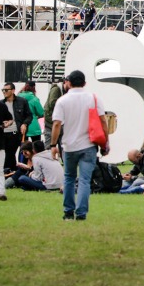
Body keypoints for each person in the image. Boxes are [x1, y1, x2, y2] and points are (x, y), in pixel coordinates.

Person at [49, 69, 107, 221]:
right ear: (85, 83)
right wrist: (105, 142)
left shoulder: (62, 101)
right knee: (84, 180)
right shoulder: (93, 98)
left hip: (69, 146)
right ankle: (81, 213)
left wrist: (53, 144)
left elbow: (56, 124)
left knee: (68, 178)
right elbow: (103, 121)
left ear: (68, 83)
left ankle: (68, 211)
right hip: (88, 144)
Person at [0, 82, 33, 177]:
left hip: (19, 132)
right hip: (6, 134)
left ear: (13, 90)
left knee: (24, 153)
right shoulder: (1, 103)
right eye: (3, 90)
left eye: (6, 90)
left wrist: (25, 124)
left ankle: (24, 173)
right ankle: (11, 174)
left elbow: (29, 115)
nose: (4, 92)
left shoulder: (22, 101)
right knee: (9, 155)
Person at [19, 80, 46, 145]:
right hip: (33, 126)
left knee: (24, 148)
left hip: (21, 126)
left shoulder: (18, 98)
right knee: (36, 148)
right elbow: (41, 113)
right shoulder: (34, 99)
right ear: (34, 87)